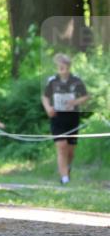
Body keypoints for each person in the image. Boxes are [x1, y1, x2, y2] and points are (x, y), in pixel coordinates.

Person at [42, 54, 90, 184]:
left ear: (68, 67)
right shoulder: (52, 81)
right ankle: (64, 179)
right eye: (59, 66)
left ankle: (67, 169)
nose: (61, 68)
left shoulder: (76, 81)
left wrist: (74, 101)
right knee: (61, 146)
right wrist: (48, 108)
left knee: (70, 151)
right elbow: (45, 97)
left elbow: (86, 96)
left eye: (63, 66)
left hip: (72, 118)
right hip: (57, 118)